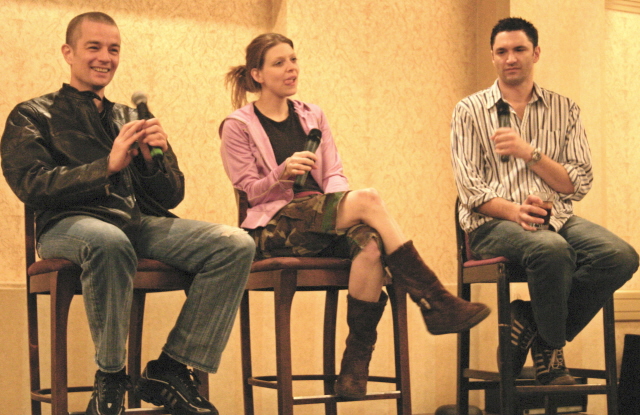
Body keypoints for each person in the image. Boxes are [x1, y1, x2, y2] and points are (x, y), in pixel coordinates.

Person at [1, 12, 255, 415]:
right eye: (94, 47)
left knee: (236, 244)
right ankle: (111, 376)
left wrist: (155, 158)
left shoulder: (130, 116)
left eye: (113, 49)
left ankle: (170, 368)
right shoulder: (32, 114)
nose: (105, 57)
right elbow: (30, 184)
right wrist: (108, 166)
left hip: (134, 224)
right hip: (66, 227)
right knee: (108, 240)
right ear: (68, 52)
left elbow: (171, 196)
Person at [219, 32, 490, 399]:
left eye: (293, 59)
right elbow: (248, 188)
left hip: (320, 216)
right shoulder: (238, 125)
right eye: (279, 63)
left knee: (372, 245)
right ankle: (435, 300)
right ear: (257, 75)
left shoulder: (312, 114)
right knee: (369, 200)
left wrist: (340, 212)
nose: (291, 69)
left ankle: (354, 364)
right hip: (274, 225)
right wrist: (280, 173)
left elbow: (334, 174)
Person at [450, 17, 638, 385]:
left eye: (519, 49)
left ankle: (530, 321)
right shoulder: (469, 110)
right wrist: (514, 210)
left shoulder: (564, 109)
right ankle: (550, 354)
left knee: (620, 256)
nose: (510, 58)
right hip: (491, 224)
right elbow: (470, 189)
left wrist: (530, 153)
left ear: (535, 52)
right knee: (552, 251)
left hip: (555, 216)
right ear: (493, 57)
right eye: (502, 51)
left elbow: (577, 182)